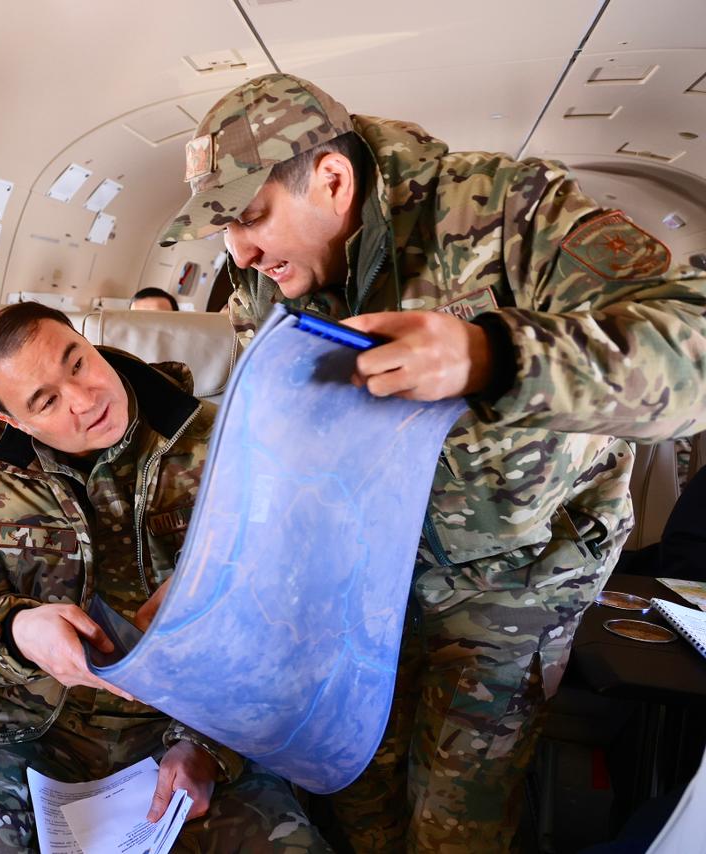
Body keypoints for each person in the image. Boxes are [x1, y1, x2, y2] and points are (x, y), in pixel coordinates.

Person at [154, 73, 706, 852]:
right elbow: (277, 447)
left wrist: (495, 356)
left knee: (455, 822)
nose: (238, 251)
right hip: (362, 580)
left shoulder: (503, 211)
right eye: (223, 227)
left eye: (249, 217)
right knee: (355, 792)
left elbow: (694, 353)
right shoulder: (262, 282)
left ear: (333, 180)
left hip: (512, 572)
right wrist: (212, 582)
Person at [0, 302, 329, 852]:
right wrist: (16, 632)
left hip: (199, 721)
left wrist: (207, 747)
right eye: (46, 401)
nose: (84, 399)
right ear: (16, 422)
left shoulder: (228, 441)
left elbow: (289, 616)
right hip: (29, 729)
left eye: (78, 363)